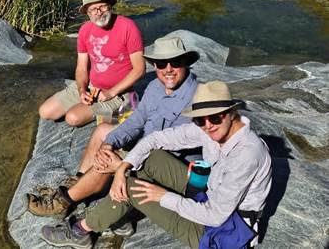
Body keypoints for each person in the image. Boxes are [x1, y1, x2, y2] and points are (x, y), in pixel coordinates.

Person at [40, 81, 272, 249]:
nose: (209, 125)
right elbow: (154, 139)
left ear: (232, 112)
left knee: (133, 187)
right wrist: (122, 167)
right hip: (209, 193)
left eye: (216, 117)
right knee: (150, 157)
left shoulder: (247, 153)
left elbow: (215, 216)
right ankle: (118, 214)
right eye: (201, 119)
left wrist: (162, 196)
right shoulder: (208, 128)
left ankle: (81, 230)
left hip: (225, 230)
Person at [28, 36, 200, 220]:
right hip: (146, 145)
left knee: (109, 161)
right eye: (161, 64)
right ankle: (79, 182)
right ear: (155, 65)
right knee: (103, 132)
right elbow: (137, 120)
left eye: (175, 62)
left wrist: (123, 162)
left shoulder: (196, 98)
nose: (168, 70)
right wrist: (109, 143)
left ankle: (63, 202)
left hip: (167, 165)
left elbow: (167, 152)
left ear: (186, 63)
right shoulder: (155, 87)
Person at [38, 0, 145, 127]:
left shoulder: (128, 26)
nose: (98, 13)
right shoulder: (85, 30)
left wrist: (111, 93)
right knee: (45, 112)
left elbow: (140, 69)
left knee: (73, 118)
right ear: (87, 13)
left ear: (110, 6)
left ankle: (128, 103)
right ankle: (98, 107)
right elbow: (82, 67)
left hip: (118, 91)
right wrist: (82, 90)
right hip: (91, 87)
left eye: (102, 7)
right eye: (93, 9)